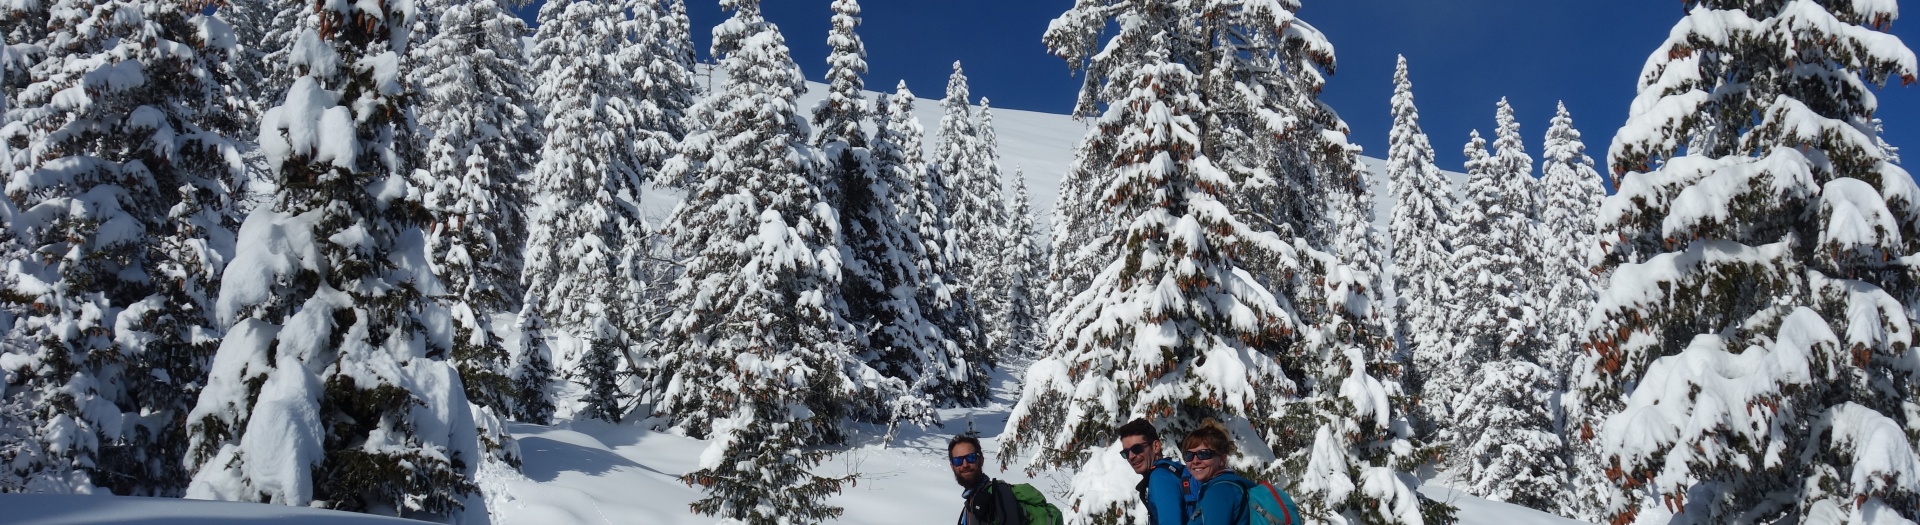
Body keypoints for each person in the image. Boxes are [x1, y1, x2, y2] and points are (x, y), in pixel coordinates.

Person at [1118, 418, 1193, 525]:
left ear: (1156, 446)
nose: (1131, 456)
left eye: (1137, 449)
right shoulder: (1172, 470)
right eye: (1125, 453)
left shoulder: (1160, 477)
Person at [1184, 419, 1254, 525]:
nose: (1195, 461)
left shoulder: (1218, 492)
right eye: (1189, 455)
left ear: (1222, 459)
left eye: (1204, 454)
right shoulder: (1234, 485)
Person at [950, 434, 1026, 525]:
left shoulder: (998, 492)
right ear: (952, 466)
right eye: (958, 460)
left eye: (971, 458)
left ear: (981, 460)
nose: (965, 464)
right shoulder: (969, 503)